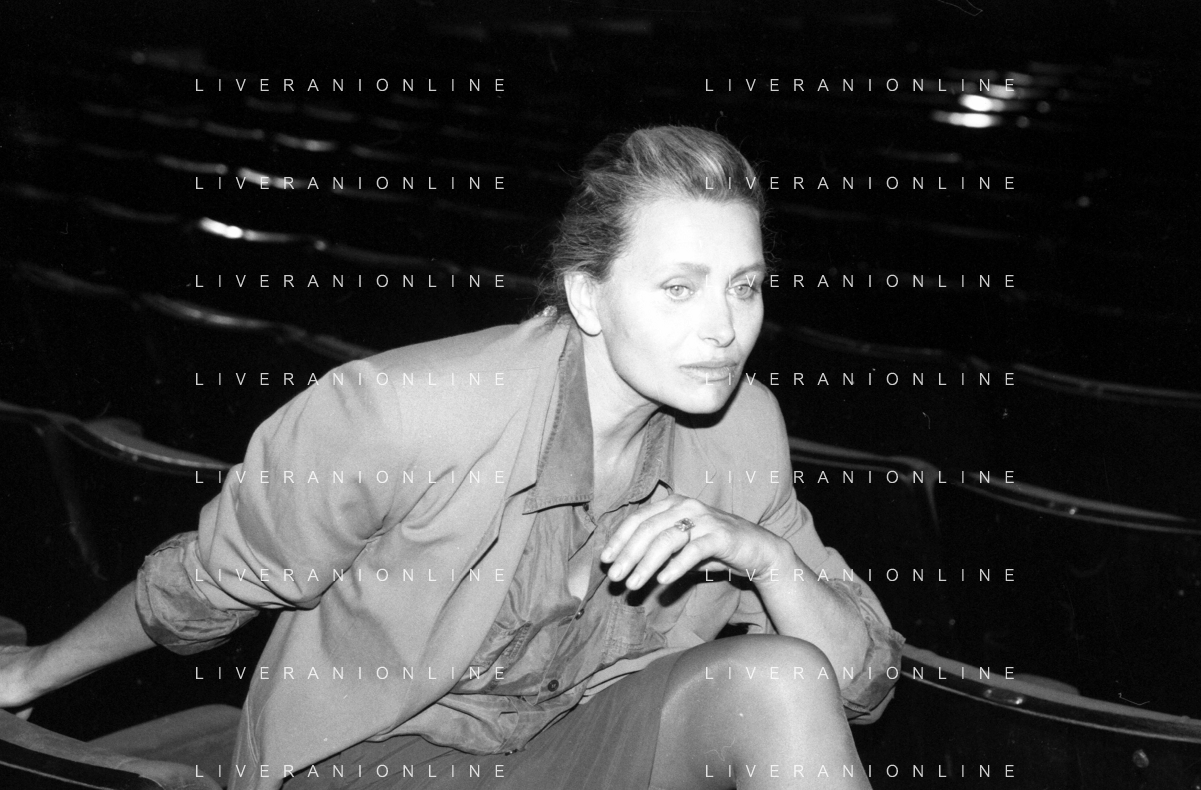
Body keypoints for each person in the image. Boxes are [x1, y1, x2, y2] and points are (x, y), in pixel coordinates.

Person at [0, 125, 904, 790]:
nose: (723, 329)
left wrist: (766, 559)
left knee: (782, 678)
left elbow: (860, 685)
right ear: (587, 296)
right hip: (377, 760)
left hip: (570, 746)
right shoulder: (401, 412)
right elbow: (210, 583)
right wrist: (33, 674)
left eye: (744, 288)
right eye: (678, 288)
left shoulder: (744, 430)